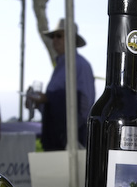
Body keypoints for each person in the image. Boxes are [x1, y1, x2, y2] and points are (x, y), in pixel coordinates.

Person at [26, 17, 95, 151]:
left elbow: (84, 103)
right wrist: (38, 102)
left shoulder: (81, 65)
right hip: (57, 138)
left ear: (71, 39)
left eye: (59, 36)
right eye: (53, 36)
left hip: (71, 140)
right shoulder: (61, 65)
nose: (54, 40)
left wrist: (47, 98)